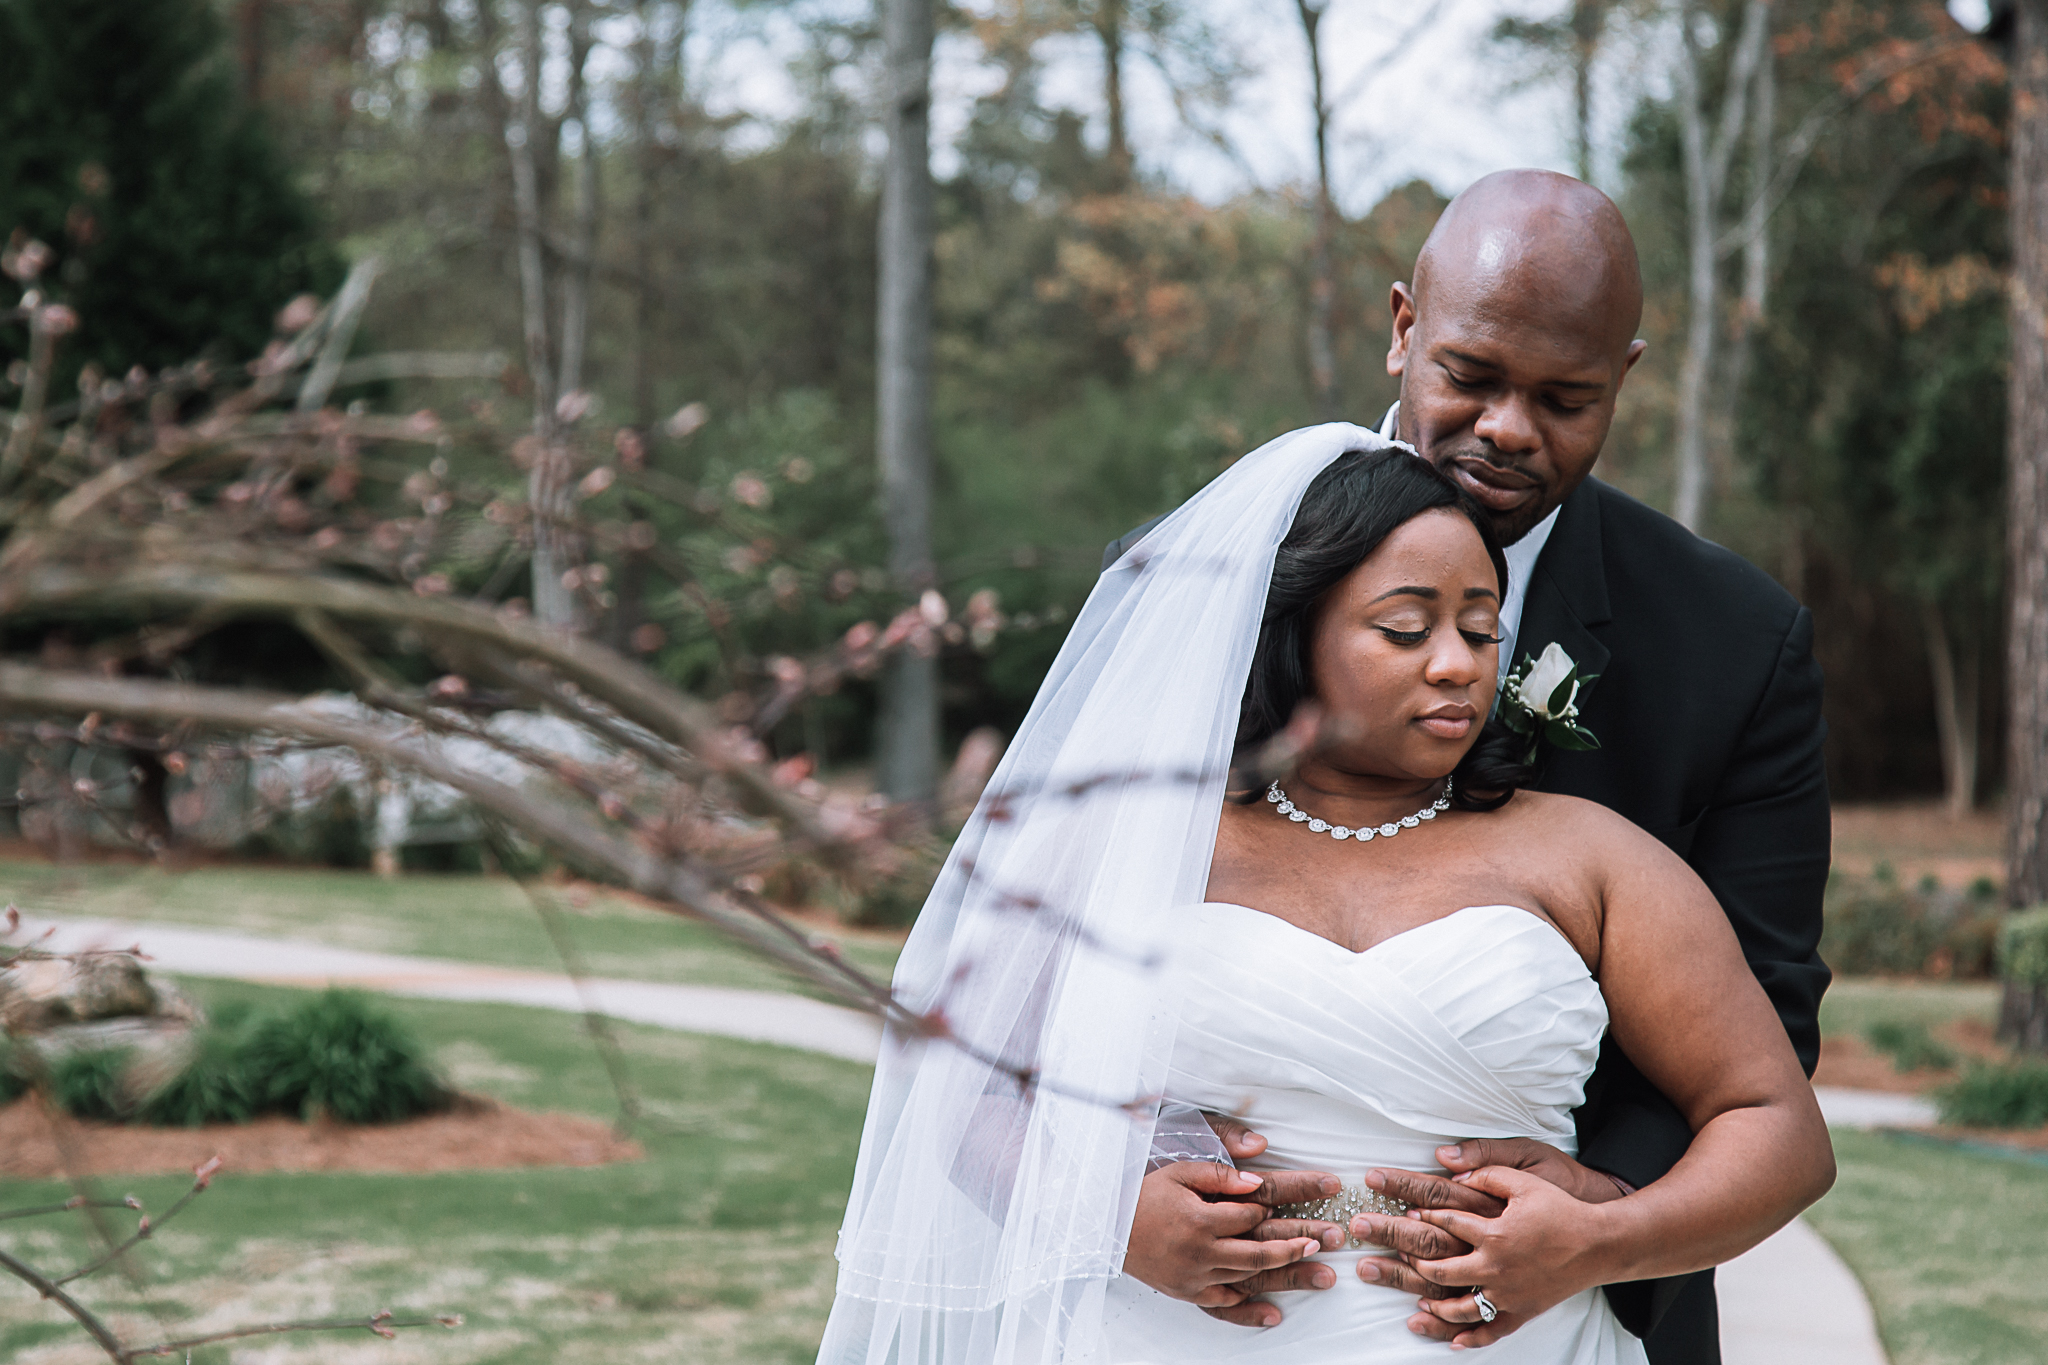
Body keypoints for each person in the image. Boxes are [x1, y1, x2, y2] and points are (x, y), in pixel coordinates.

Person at [815, 427, 1834, 1365]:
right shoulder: (1134, 842)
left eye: (1479, 633)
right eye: (1404, 628)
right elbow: (961, 1091)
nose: (1453, 665)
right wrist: (1105, 1218)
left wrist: (1598, 1241)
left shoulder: (1588, 859)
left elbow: (1776, 1131)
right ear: (1295, 633)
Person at [1109, 171, 1832, 1365]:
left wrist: (1600, 1215)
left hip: (1545, 1307)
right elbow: (1008, 1006)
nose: (1507, 427)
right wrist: (1106, 1207)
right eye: (1471, 375)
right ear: (1401, 332)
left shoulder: (1730, 642)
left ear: (1623, 380)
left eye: (1563, 397)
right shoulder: (1186, 585)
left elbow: (1767, 1018)